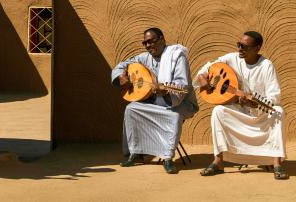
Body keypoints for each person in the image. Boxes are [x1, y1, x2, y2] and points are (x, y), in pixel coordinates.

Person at [196, 31, 288, 179]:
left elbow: (274, 97)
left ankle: (276, 163)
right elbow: (207, 68)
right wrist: (202, 78)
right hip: (239, 112)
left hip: (260, 115)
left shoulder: (266, 66)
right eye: (239, 45)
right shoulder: (231, 58)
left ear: (257, 48)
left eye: (244, 47)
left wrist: (254, 104)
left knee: (278, 111)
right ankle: (218, 161)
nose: (240, 49)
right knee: (218, 111)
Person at [111, 28, 198, 174]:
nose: (147, 45)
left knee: (174, 116)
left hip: (178, 103)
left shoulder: (177, 56)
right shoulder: (144, 58)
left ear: (162, 39)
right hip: (154, 102)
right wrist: (120, 76)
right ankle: (136, 153)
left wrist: (166, 92)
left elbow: (181, 85)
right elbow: (122, 65)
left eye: (150, 41)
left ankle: (168, 158)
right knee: (131, 109)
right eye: (144, 43)